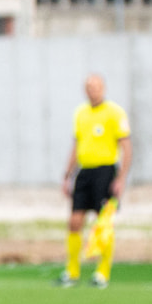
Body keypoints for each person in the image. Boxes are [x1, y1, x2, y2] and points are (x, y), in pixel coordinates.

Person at [60, 74, 129, 288]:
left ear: (103, 88)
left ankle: (102, 271)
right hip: (85, 172)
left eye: (96, 86)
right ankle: (72, 271)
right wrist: (68, 174)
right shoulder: (81, 113)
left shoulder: (114, 112)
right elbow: (77, 144)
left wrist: (121, 178)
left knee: (103, 222)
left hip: (105, 171)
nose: (93, 90)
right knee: (74, 221)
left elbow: (126, 147)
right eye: (89, 87)